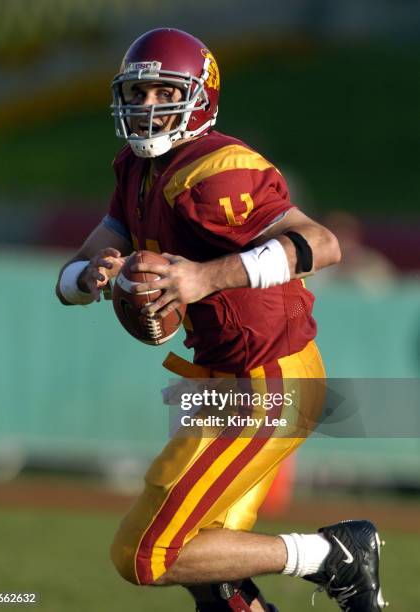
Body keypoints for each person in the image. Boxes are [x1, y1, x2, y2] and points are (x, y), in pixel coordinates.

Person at [56, 28, 387, 612]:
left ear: (198, 97)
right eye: (138, 93)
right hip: (221, 380)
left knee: (145, 554)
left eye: (164, 93)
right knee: (213, 575)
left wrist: (204, 277)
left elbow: (321, 243)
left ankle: (333, 554)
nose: (148, 107)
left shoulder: (221, 170)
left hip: (267, 382)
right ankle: (322, 558)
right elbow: (77, 270)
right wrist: (90, 278)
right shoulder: (134, 169)